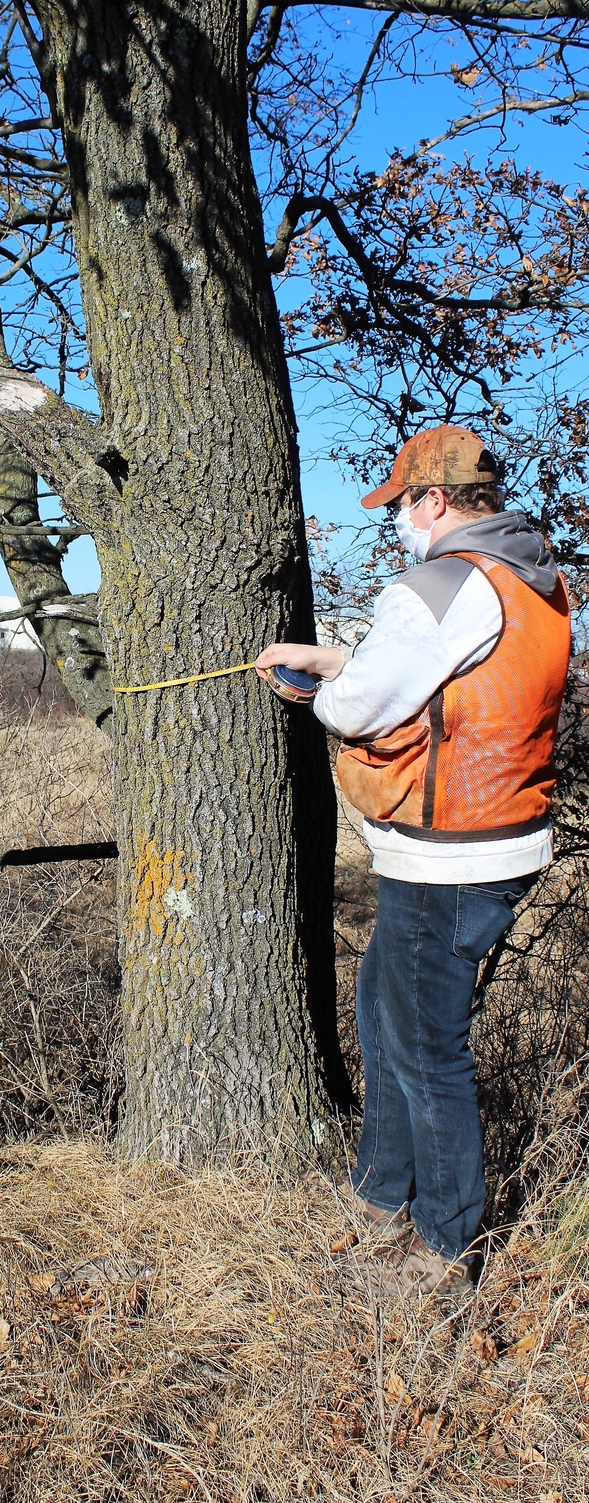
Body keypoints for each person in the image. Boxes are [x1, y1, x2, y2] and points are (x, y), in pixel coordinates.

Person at [257, 425, 570, 1297]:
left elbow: (360, 708)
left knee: (427, 1047)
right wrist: (338, 659)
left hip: (449, 854)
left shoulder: (433, 585)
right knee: (383, 1011)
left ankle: (443, 1250)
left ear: (433, 501)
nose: (395, 519)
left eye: (399, 504)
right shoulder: (531, 580)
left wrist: (320, 686)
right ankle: (378, 1193)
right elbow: (450, 681)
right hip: (495, 837)